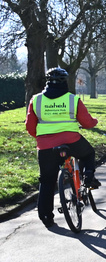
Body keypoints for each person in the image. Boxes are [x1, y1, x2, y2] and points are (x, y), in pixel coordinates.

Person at [25, 67, 101, 228]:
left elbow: (30, 126)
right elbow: (87, 123)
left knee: (46, 181)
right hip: (71, 141)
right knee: (88, 153)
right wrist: (94, 121)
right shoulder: (72, 100)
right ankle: (88, 176)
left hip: (46, 146)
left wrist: (42, 138)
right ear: (66, 82)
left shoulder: (36, 100)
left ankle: (46, 216)